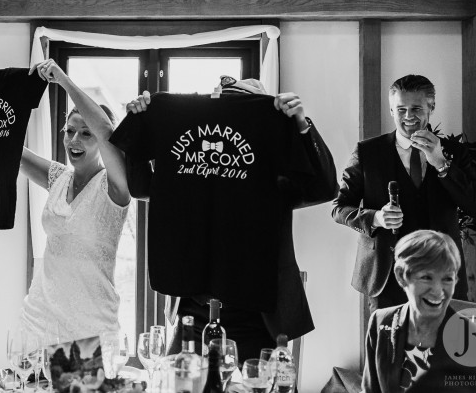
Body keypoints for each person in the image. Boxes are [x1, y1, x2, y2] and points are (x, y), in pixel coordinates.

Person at [124, 77, 338, 362]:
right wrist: (139, 128)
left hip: (257, 317)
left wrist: (300, 124)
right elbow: (140, 189)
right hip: (193, 310)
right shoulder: (190, 150)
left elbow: (324, 188)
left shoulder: (274, 163)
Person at [333, 74, 476, 312]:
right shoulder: (368, 152)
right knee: (390, 348)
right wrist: (375, 218)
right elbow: (340, 207)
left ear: (431, 107)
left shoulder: (454, 153)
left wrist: (440, 164)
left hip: (442, 274)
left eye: (416, 108)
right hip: (386, 277)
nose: (408, 116)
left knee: (444, 347)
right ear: (391, 109)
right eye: (400, 109)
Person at [19, 58, 131, 341]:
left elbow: (107, 131)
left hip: (91, 327)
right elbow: (8, 148)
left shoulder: (115, 186)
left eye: (85, 134)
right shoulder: (58, 177)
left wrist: (63, 80)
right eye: (69, 132)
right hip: (39, 319)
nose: (73, 141)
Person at [362, 229, 476, 393]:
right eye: (426, 277)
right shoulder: (381, 322)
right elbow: (370, 390)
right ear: (401, 276)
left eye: (447, 279)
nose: (438, 291)